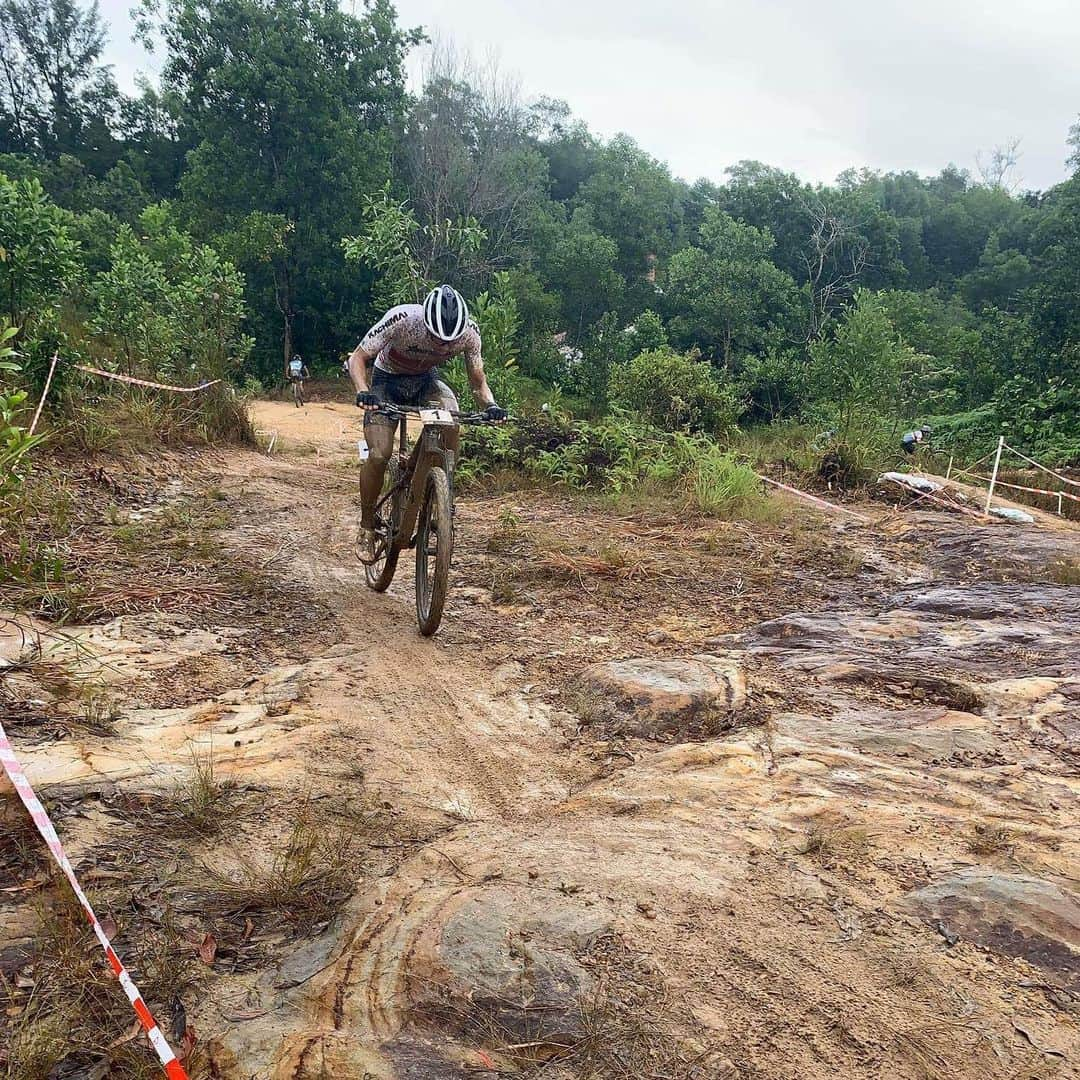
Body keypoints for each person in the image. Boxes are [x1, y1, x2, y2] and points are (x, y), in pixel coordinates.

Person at [347, 284, 506, 557]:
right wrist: (363, 390)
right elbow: (358, 358)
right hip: (387, 381)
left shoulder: (470, 334)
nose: (442, 345)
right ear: (425, 323)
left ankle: (440, 494)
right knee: (379, 453)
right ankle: (366, 526)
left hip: (426, 382)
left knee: (451, 421)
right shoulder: (402, 319)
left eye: (448, 342)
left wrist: (491, 405)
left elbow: (478, 383)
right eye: (436, 338)